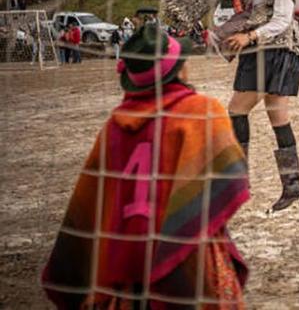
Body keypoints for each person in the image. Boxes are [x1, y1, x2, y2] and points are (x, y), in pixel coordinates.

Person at [41, 25, 249, 308]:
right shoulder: (201, 111)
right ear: (179, 70)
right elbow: (232, 177)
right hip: (188, 252)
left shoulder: (114, 126)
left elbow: (89, 204)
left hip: (125, 264)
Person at [218, 0, 299, 212]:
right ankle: (292, 186)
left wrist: (250, 36)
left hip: (274, 51)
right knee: (277, 117)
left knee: (236, 110)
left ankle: (239, 181)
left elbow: (283, 20)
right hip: (260, 50)